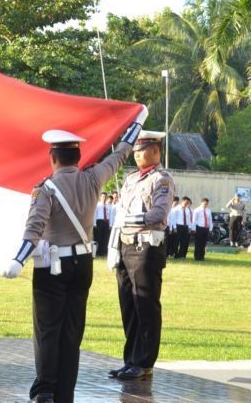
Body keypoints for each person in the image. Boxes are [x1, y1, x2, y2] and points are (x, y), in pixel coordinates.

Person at [1, 118, 143, 403]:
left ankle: (45, 390)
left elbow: (34, 230)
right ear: (78, 156)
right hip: (83, 264)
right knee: (72, 332)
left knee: (47, 330)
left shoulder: (46, 188)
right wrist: (137, 121)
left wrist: (18, 261)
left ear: (52, 157)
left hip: (53, 268)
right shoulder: (94, 178)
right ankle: (65, 392)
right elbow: (121, 153)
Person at [107, 131, 174, 381]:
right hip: (125, 246)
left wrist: (130, 220)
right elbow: (119, 215)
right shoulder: (131, 179)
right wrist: (113, 247)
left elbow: (158, 214)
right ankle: (131, 360)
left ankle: (144, 362)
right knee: (128, 306)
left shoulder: (161, 179)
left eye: (141, 150)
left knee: (145, 305)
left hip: (146, 248)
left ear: (155, 151)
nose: (136, 154)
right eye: (134, 150)